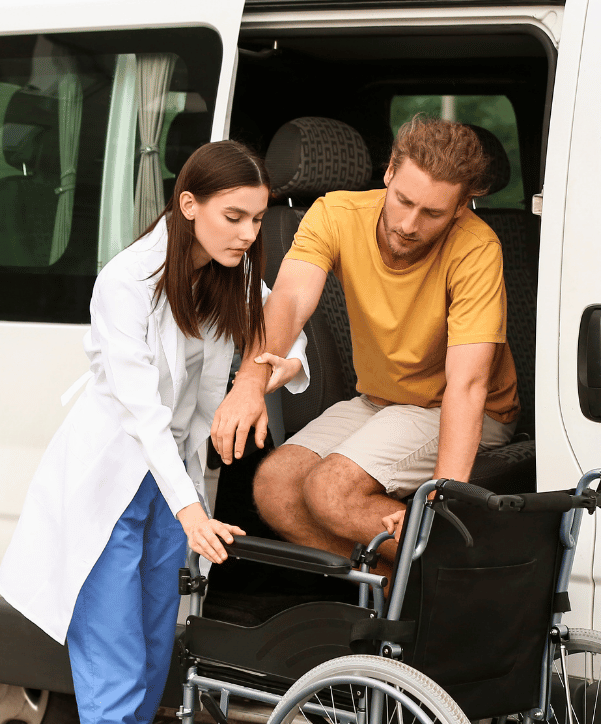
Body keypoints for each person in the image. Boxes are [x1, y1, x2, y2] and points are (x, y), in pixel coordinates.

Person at [0, 140, 309, 724]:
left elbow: (289, 344)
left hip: (171, 489)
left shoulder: (231, 275)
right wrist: (192, 506)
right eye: (232, 217)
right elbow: (140, 415)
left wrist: (263, 371)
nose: (245, 234)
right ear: (188, 204)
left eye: (256, 220)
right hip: (113, 488)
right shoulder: (125, 282)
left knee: (144, 671)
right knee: (108, 677)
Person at [210, 116, 520, 578]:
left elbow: (469, 385)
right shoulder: (336, 213)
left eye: (432, 213)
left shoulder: (476, 249)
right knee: (275, 485)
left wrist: (442, 493)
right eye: (404, 201)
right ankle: (401, 589)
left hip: (461, 408)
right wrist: (250, 382)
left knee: (330, 490)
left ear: (460, 208)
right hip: (382, 399)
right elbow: (290, 301)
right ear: (389, 172)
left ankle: (466, 576)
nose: (410, 224)